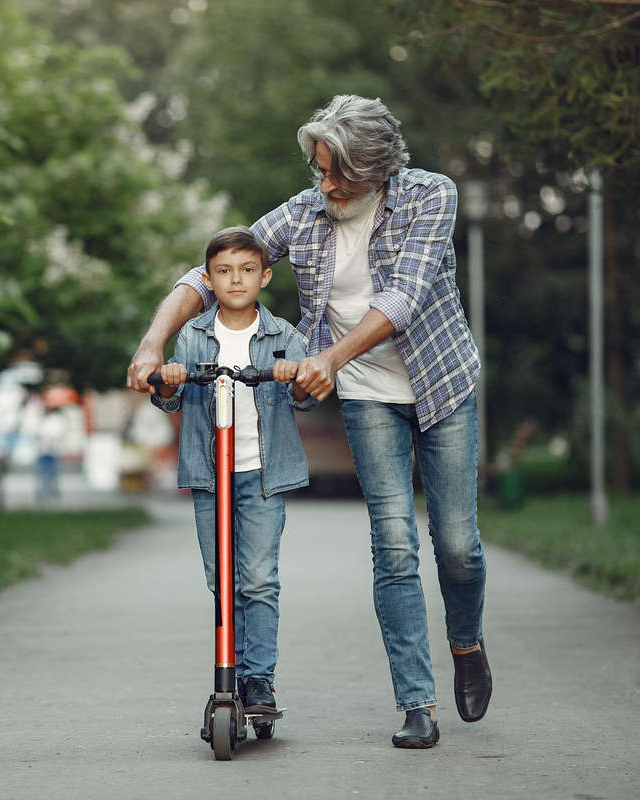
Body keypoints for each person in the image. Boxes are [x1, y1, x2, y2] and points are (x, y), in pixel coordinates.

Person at [128, 95, 491, 749]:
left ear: (375, 169)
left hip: (443, 385)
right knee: (394, 545)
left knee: (458, 548)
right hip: (367, 395)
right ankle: (418, 704)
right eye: (318, 170)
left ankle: (466, 641)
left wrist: (326, 357)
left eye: (335, 174)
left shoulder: (430, 196)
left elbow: (402, 296)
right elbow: (213, 269)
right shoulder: (308, 210)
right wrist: (156, 340)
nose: (322, 186)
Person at [151, 226, 317, 715]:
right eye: (223, 272)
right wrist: (169, 379)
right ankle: (230, 675)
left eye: (247, 271)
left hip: (264, 475)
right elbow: (169, 400)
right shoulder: (194, 334)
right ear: (208, 279)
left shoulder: (285, 336)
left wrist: (297, 378)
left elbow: (304, 401)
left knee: (259, 579)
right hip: (210, 476)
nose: (236, 280)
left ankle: (258, 680)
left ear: (264, 276)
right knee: (221, 579)